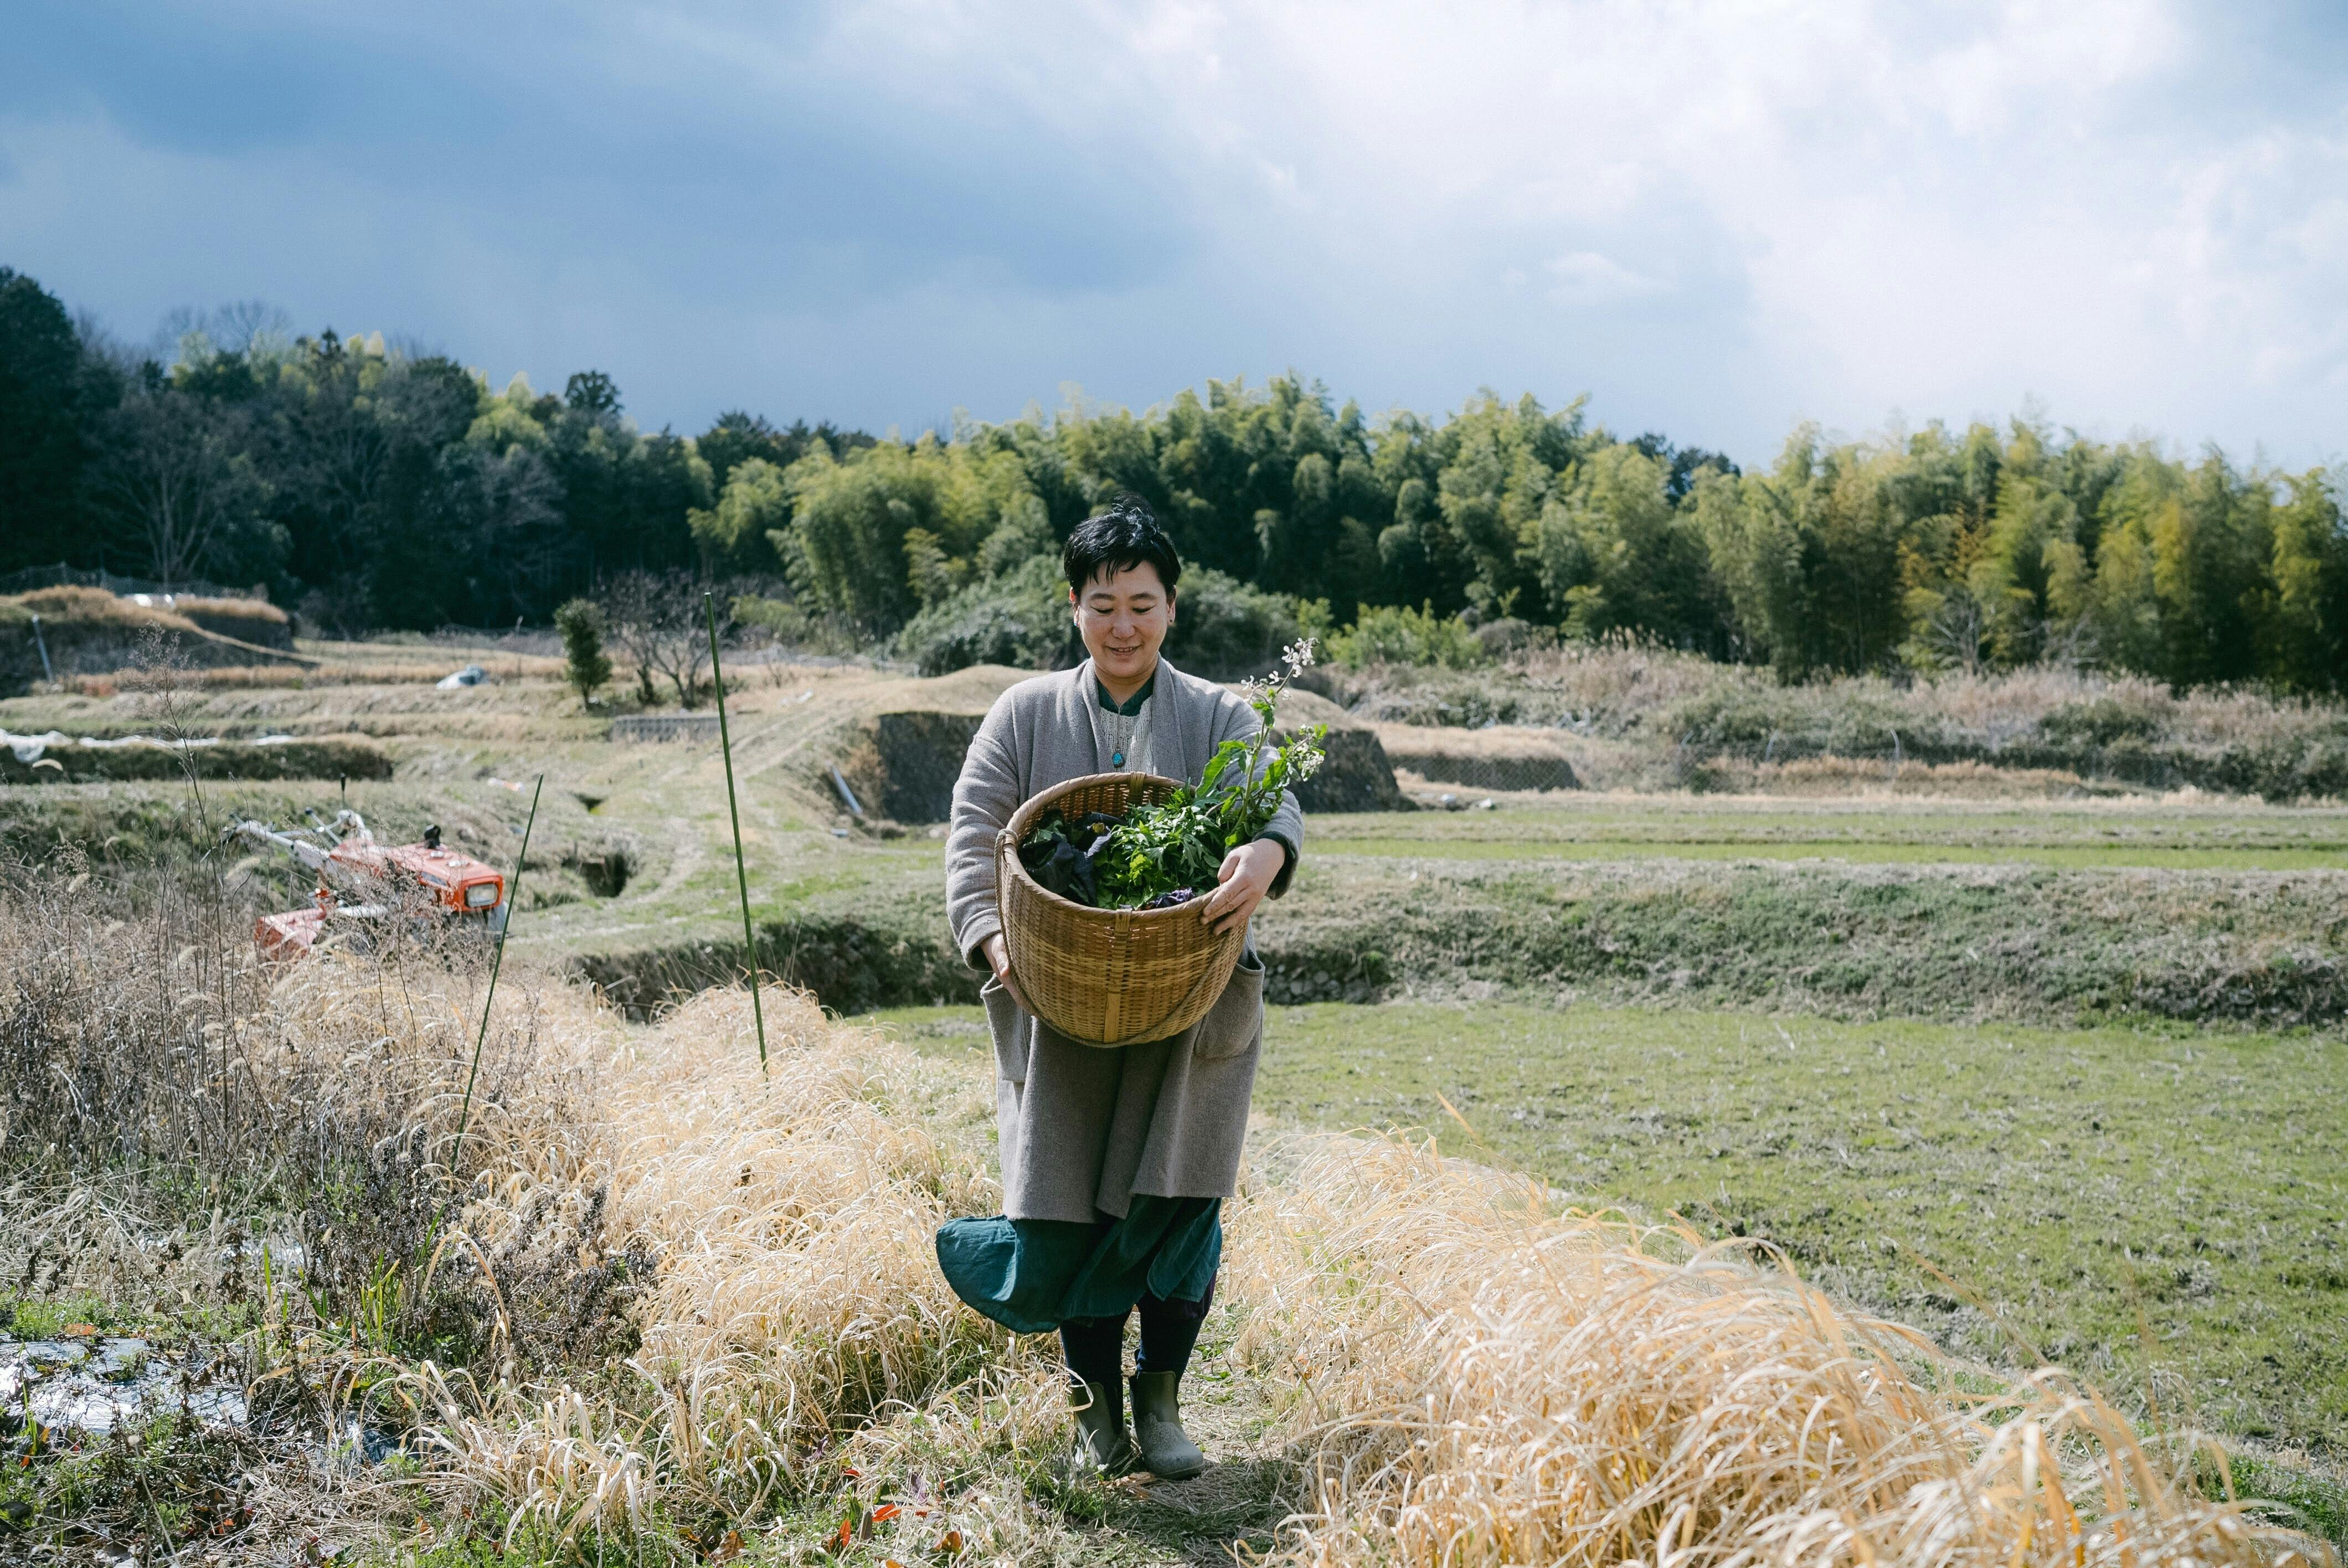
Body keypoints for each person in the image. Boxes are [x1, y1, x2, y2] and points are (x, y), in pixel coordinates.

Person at [934, 494, 1302, 1478]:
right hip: (1060, 1009)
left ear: (1172, 608)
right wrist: (991, 941)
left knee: (1179, 1204)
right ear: (1074, 608)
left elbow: (1275, 802)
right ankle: (1095, 1415)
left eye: (1142, 605)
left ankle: (1164, 1404)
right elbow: (974, 840)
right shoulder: (1024, 714)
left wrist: (1268, 853)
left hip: (1191, 1008)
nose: (1123, 626)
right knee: (1067, 1208)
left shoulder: (1220, 715)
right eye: (1103, 606)